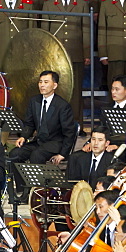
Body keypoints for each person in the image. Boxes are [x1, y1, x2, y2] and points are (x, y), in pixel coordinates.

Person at [10, 71, 77, 200]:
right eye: (40, 82)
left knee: (37, 155)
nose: (42, 85)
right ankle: (23, 188)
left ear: (55, 85)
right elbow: (29, 124)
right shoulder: (34, 101)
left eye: (46, 82)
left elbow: (69, 132)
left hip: (56, 142)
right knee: (15, 154)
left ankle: (35, 194)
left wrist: (63, 154)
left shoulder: (62, 106)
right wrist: (23, 136)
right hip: (39, 141)